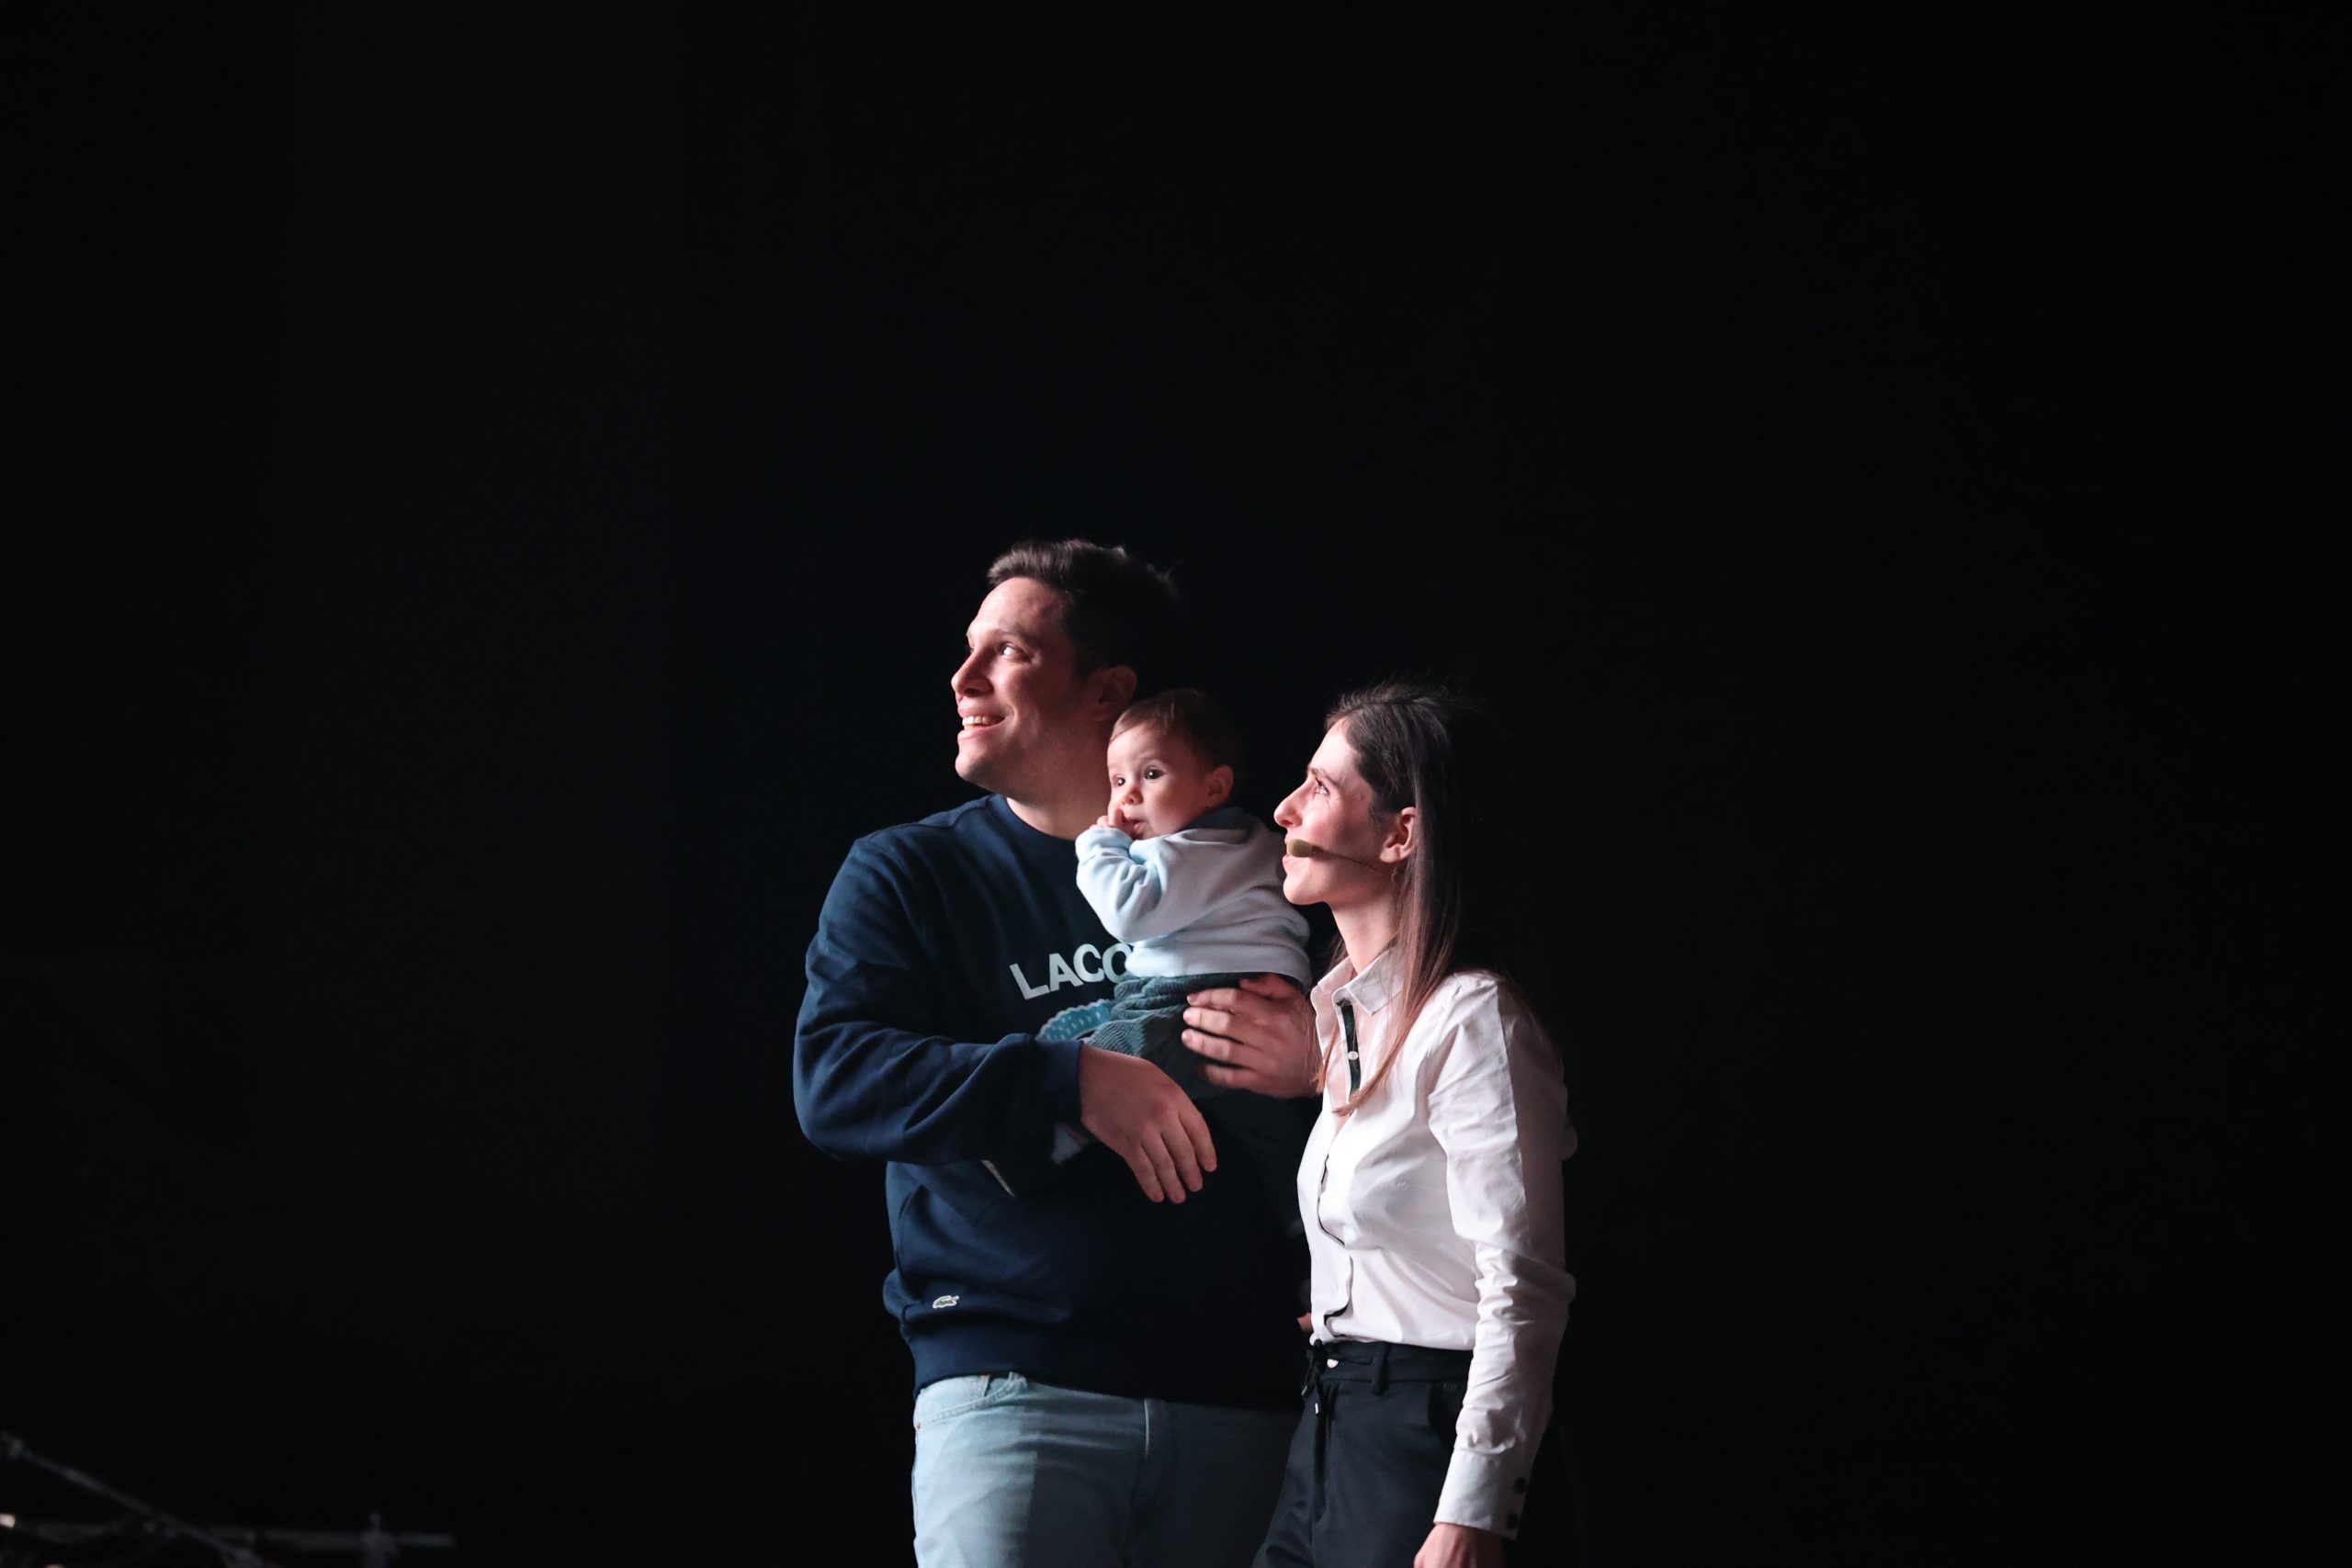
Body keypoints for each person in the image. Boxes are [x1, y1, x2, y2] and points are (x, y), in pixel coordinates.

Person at [793, 539, 1325, 1568]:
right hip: (1015, 1388)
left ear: (1107, 691)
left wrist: (1322, 1061)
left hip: (1248, 1404)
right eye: (969, 650)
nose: (963, 678)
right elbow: (836, 1079)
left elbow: (1424, 1081)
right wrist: (1068, 1077)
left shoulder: (1270, 870)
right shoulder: (911, 871)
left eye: (1009, 651)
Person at [1249, 682, 1577, 1568]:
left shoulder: (1473, 1019)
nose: (1284, 810)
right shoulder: (1344, 1023)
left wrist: (1474, 1508)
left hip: (1425, 1436)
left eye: (1320, 786)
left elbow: (1521, 1286)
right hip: (1331, 1422)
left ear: (1401, 833)